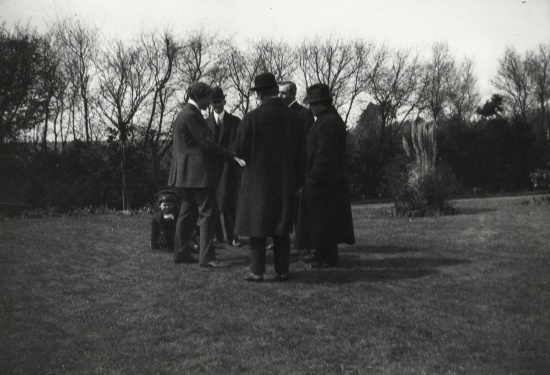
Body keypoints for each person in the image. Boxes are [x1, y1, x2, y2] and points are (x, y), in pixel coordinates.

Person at [234, 72, 306, 282]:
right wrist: (299, 181)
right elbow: (303, 153)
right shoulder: (295, 117)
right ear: (276, 91)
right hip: (286, 180)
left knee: (258, 226)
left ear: (261, 94)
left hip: (257, 181)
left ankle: (257, 271)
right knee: (281, 226)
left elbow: (239, 150)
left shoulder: (251, 118)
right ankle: (282, 270)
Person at [168, 81, 245, 268]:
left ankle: (180, 253)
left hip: (185, 175)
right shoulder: (192, 116)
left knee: (187, 213)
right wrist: (233, 158)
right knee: (207, 215)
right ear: (200, 97)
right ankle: (206, 258)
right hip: (199, 176)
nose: (210, 103)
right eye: (208, 99)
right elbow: (207, 144)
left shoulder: (184, 114)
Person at [295, 83, 355, 268]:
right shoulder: (326, 119)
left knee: (324, 221)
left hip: (325, 182)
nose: (310, 107)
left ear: (322, 103)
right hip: (324, 181)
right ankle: (323, 254)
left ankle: (325, 257)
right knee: (322, 221)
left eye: (313, 103)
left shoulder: (328, 122)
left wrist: (312, 177)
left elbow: (325, 155)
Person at [278, 80, 315, 254]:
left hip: (297, 167)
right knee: (284, 206)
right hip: (282, 167)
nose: (280, 96)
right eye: (279, 93)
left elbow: (305, 144)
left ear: (293, 94)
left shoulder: (304, 114)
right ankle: (282, 239)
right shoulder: (280, 113)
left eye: (284, 93)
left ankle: (303, 244)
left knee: (299, 209)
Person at [206, 87, 241, 248]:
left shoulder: (235, 121)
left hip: (229, 167)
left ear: (224, 102)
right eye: (214, 102)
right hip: (211, 168)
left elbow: (237, 144)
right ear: (211, 104)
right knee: (212, 203)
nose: (217, 105)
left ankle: (233, 236)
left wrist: (231, 159)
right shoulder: (205, 123)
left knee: (228, 203)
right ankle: (217, 236)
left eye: (219, 102)